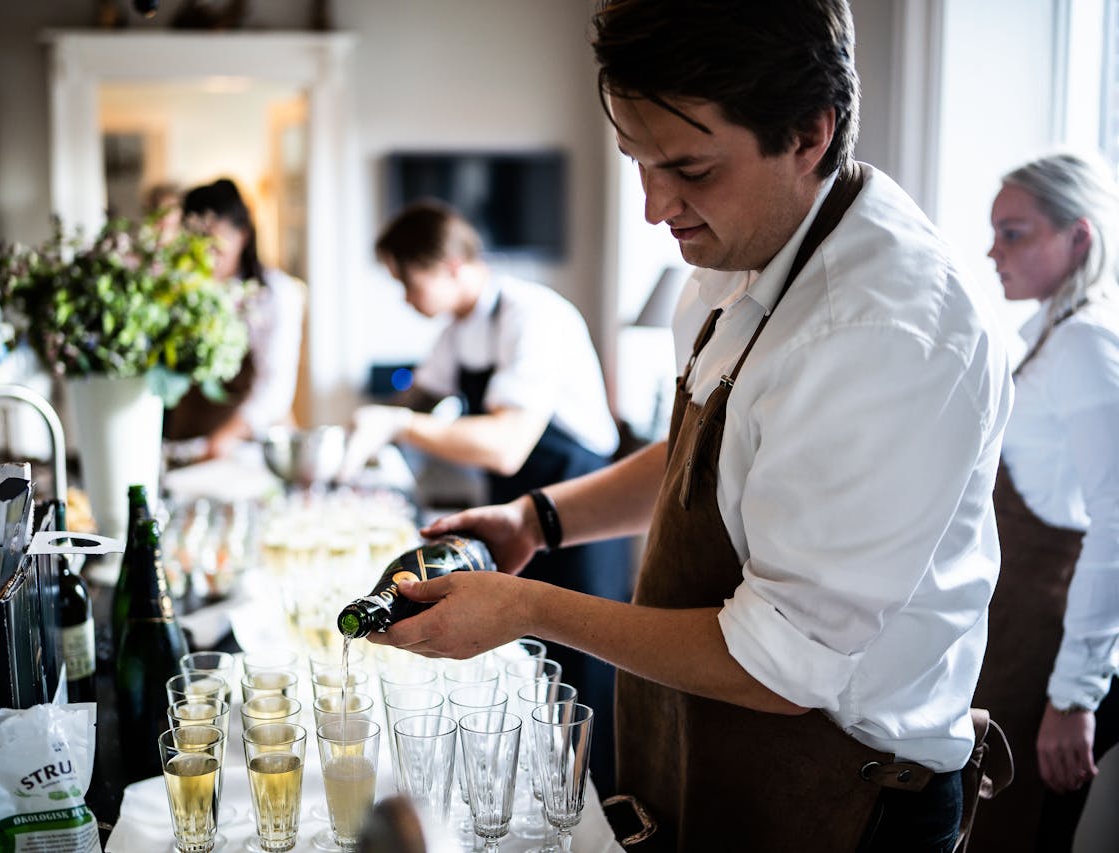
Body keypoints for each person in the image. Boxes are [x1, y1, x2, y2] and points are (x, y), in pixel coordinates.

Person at [362, 1, 1016, 850]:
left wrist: (524, 607)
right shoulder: (743, 257)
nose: (653, 206)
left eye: (692, 169)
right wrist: (539, 518)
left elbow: (782, 666)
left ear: (810, 133)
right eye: (636, 161)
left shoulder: (888, 333)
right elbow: (700, 456)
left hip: (845, 799)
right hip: (710, 753)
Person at [342, 199, 633, 796]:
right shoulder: (458, 331)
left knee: (581, 680)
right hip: (514, 516)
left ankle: (601, 809)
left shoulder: (534, 316)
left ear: (449, 265)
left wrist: (394, 428)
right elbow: (417, 400)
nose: (402, 296)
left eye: (406, 279)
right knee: (525, 668)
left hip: (579, 510)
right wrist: (368, 423)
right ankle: (544, 797)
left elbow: (505, 445)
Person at [966, 152, 1119, 852]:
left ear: (1079, 238)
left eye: (1014, 232)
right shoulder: (1046, 338)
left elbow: (1115, 522)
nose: (993, 250)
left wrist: (1074, 694)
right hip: (1008, 628)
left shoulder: (1088, 344)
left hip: (1044, 643)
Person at [162, 178, 306, 458]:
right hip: (185, 439)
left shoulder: (275, 294)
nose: (204, 253)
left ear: (242, 235)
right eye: (194, 241)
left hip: (250, 444)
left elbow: (274, 388)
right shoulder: (175, 290)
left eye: (214, 242)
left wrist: (223, 439)